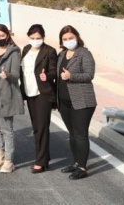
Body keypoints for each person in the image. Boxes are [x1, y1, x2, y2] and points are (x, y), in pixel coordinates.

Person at [57, 25, 97, 180]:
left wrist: (71, 76)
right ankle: (76, 162)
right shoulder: (62, 54)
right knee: (72, 134)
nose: (68, 41)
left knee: (80, 134)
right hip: (65, 101)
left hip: (82, 100)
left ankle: (82, 167)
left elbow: (89, 74)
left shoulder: (84, 54)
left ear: (77, 37)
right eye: (65, 39)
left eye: (70, 38)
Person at [19, 24, 57, 174]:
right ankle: (44, 158)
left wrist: (47, 76)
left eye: (38, 38)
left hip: (43, 93)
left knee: (41, 127)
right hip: (29, 92)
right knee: (36, 127)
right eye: (33, 38)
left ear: (43, 37)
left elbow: (54, 70)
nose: (35, 40)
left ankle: (40, 162)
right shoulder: (26, 49)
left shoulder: (49, 51)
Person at [0, 24, 23, 173]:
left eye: (2, 36)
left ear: (7, 36)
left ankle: (9, 160)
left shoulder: (13, 52)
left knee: (6, 128)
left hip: (6, 92)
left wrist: (7, 75)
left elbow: (16, 75)